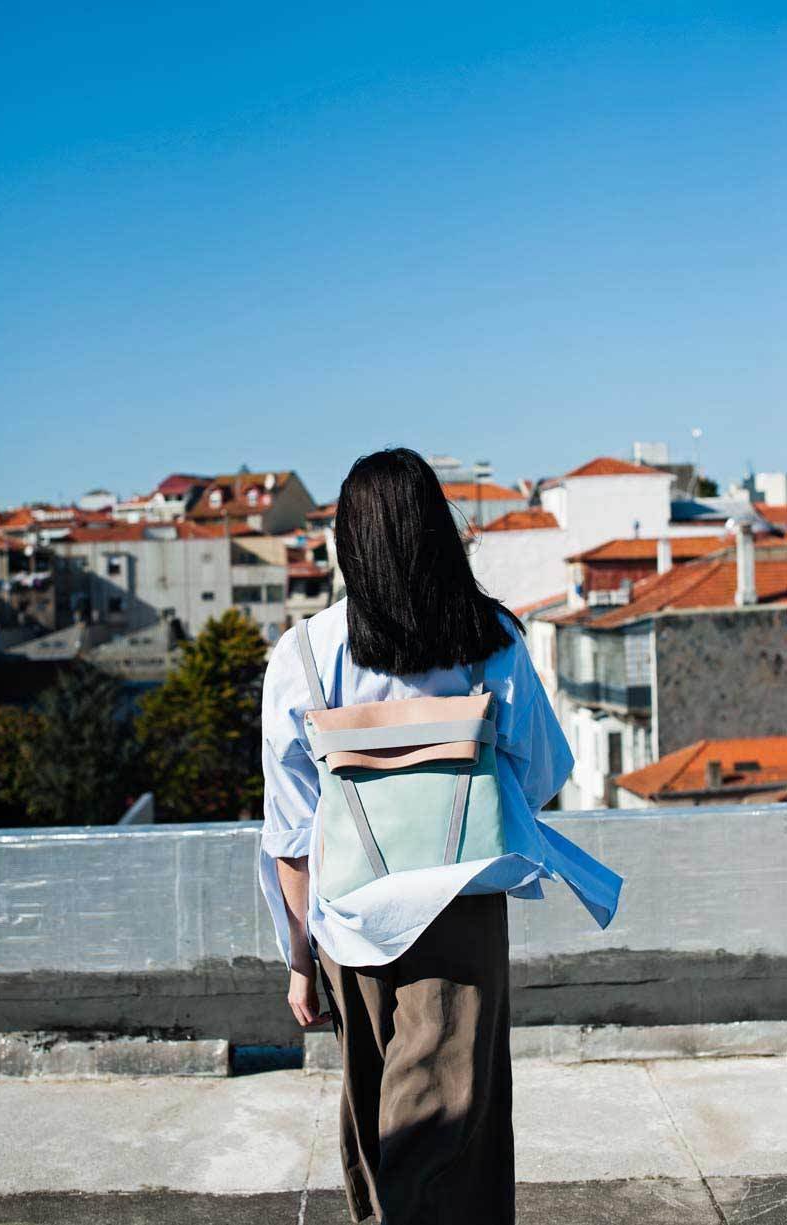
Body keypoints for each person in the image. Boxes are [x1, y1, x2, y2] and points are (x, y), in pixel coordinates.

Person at [259, 447, 622, 1225]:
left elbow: (290, 828)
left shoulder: (302, 654)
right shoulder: (491, 639)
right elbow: (538, 776)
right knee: (451, 1124)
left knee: (374, 1115)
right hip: (460, 903)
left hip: (346, 915)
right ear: (437, 532)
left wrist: (297, 959)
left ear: (347, 542)